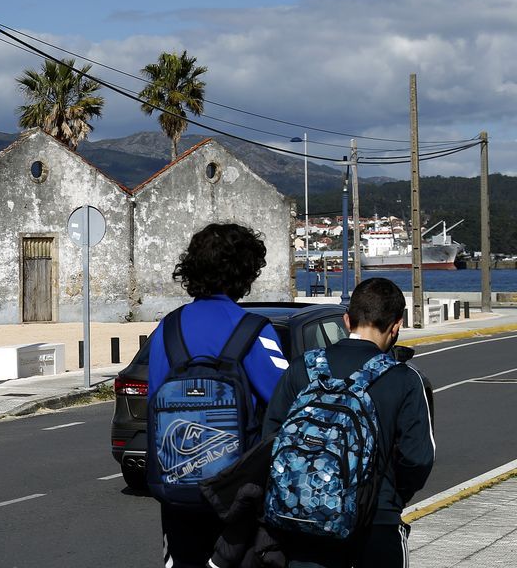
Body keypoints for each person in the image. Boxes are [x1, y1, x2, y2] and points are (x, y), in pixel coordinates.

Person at [263, 277, 435, 568]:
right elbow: (417, 458)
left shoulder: (303, 368)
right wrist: (391, 497)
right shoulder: (404, 379)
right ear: (396, 325)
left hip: (303, 521)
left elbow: (270, 437)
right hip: (376, 523)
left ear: (346, 320)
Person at [147, 222, 289, 568]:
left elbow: (153, 399)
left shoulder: (167, 327)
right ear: (246, 273)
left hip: (177, 491)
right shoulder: (255, 329)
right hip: (238, 496)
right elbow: (286, 401)